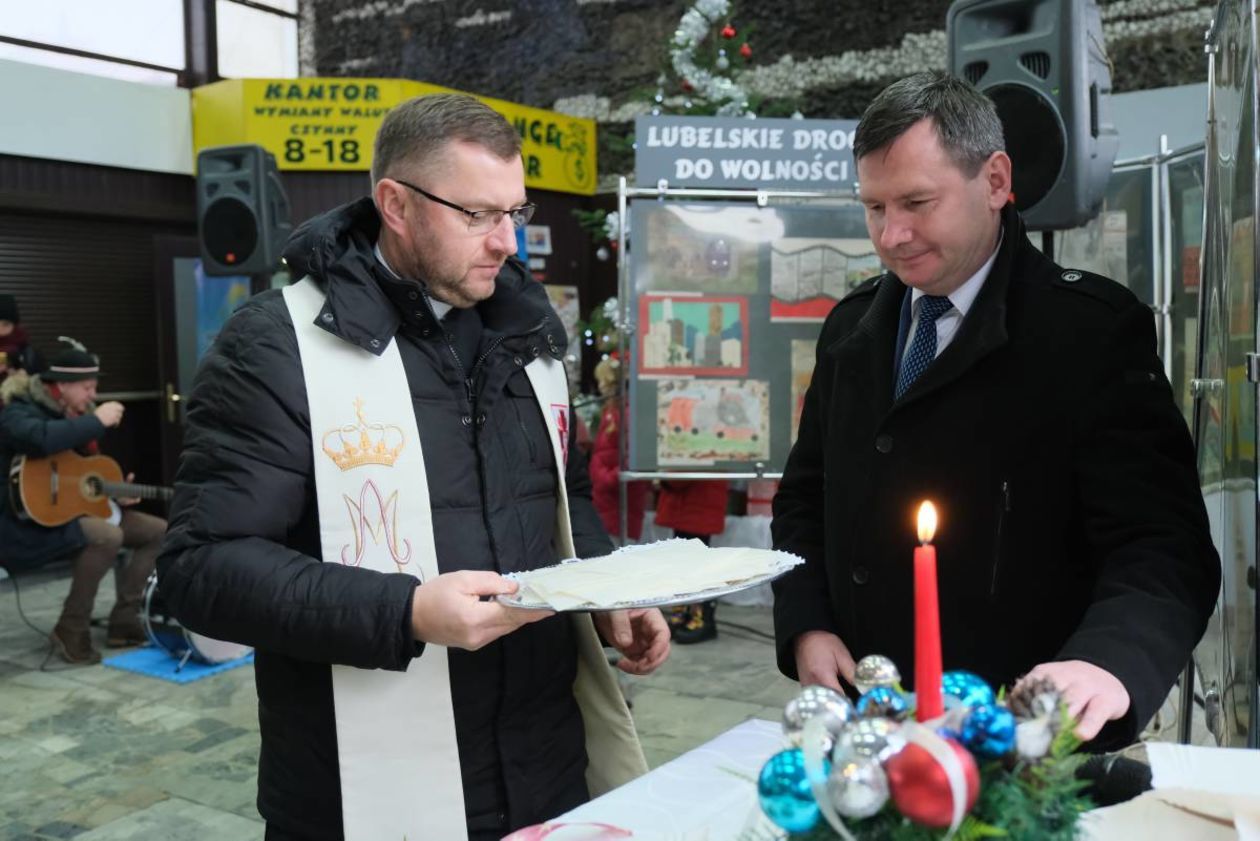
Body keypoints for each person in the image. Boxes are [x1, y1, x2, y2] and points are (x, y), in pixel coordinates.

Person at [156, 93, 669, 841]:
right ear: (395, 203)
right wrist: (406, 612)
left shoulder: (524, 334)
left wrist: (606, 591)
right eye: (478, 216)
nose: (508, 244)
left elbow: (560, 501)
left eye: (514, 214)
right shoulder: (277, 346)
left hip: (546, 771)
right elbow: (201, 570)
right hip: (359, 793)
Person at [771, 71, 1219, 750]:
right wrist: (807, 623)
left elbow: (1161, 543)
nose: (892, 236)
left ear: (997, 181)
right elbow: (804, 500)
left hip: (1027, 737)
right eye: (874, 208)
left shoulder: (1086, 332)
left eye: (918, 202)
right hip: (873, 730)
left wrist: (1108, 661)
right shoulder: (852, 329)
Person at [0, 338, 166, 664]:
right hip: (22, 522)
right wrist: (97, 421)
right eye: (87, 388)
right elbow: (41, 440)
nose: (93, 396)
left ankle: (125, 619)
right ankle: (71, 629)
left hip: (70, 512)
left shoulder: (79, 415)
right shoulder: (18, 410)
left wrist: (113, 492)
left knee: (159, 531)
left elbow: (80, 476)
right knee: (107, 536)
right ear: (60, 385)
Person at [655, 478, 729, 644]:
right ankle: (685, 615)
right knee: (685, 564)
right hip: (693, 503)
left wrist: (665, 475)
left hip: (696, 504)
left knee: (696, 568)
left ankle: (701, 619)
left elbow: (680, 472)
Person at [589, 353, 648, 543]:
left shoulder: (627, 415)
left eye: (602, 381)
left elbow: (636, 456)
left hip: (619, 501)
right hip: (607, 501)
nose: (599, 387)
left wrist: (608, 478)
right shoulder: (611, 413)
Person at [0, 294, 36, 399]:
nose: (0, 330)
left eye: (5, 324)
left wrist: (22, 375)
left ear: (14, 325)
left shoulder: (28, 352)